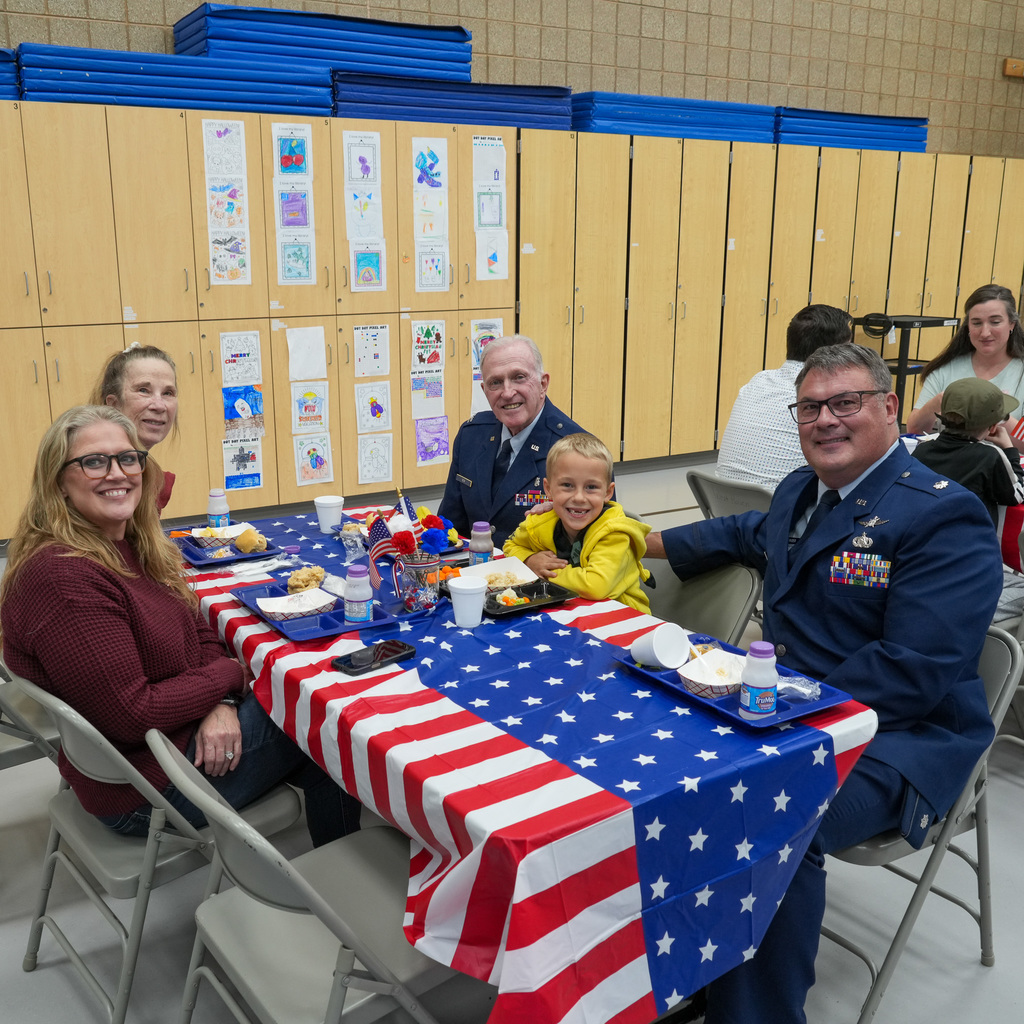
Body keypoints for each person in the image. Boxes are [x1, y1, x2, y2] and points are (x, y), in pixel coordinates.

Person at [645, 344, 1001, 1023]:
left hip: (902, 737)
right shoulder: (799, 491)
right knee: (670, 766)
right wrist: (639, 538)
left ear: (889, 408)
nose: (825, 420)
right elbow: (750, 533)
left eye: (846, 403)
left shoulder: (940, 515)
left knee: (762, 816)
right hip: (793, 711)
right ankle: (700, 963)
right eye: (811, 407)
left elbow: (912, 669)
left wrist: (773, 707)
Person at [0, 405, 359, 848]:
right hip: (147, 787)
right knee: (328, 712)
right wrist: (230, 675)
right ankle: (346, 865)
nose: (117, 473)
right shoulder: (63, 577)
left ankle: (339, 855)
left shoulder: (131, 543)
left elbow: (199, 629)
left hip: (167, 743)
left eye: (128, 458)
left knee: (308, 714)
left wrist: (223, 700)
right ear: (58, 480)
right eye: (94, 462)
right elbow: (132, 713)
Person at [438, 334, 588, 546]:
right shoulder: (471, 436)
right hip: (473, 574)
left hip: (543, 577)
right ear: (485, 391)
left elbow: (593, 546)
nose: (507, 393)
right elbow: (450, 527)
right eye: (496, 382)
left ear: (543, 384)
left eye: (519, 377)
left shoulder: (579, 451)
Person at [503, 433, 651, 612]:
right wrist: (529, 560)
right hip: (566, 611)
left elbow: (595, 585)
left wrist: (543, 573)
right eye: (567, 485)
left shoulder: (615, 534)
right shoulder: (540, 523)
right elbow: (511, 545)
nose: (579, 498)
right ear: (548, 489)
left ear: (607, 492)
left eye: (591, 487)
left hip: (622, 619)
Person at [716, 304, 853, 488]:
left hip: (724, 505)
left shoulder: (758, 381)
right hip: (783, 511)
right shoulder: (824, 399)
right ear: (836, 353)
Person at [907, 284, 1024, 442]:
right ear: (967, 326)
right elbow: (914, 430)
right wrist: (937, 402)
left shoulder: (1020, 372)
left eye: (995, 322)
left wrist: (1000, 413)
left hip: (1005, 465)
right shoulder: (946, 369)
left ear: (1012, 324)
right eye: (976, 323)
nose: (985, 332)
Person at [911, 376, 1024, 527]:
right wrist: (1010, 450)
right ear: (992, 427)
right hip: (971, 543)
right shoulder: (990, 455)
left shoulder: (922, 450)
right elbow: (1016, 495)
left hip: (922, 537)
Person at [91, 344, 179, 512]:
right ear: (113, 404)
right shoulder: (95, 474)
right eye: (144, 390)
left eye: (168, 393)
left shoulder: (149, 474)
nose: (159, 406)